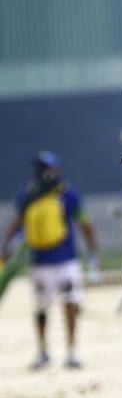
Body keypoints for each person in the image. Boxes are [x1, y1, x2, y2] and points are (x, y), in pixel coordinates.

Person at [1, 152, 99, 370]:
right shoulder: (32, 195)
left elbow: (84, 223)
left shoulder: (63, 195)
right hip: (42, 263)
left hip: (65, 262)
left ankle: (70, 351)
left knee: (70, 304)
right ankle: (45, 351)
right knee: (43, 308)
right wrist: (6, 248)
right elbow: (85, 223)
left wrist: (93, 252)